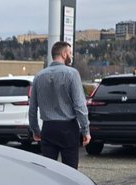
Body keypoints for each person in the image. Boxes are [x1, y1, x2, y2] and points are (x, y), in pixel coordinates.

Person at [29, 41, 91, 169]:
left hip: (48, 128)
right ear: (64, 54)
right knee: (71, 171)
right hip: (68, 128)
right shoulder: (72, 73)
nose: (71, 56)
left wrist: (35, 129)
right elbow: (80, 105)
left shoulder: (39, 76)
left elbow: (33, 107)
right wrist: (86, 130)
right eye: (70, 53)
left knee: (48, 172)